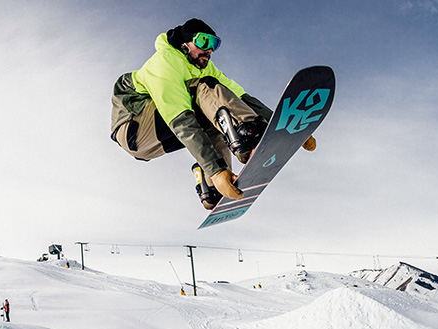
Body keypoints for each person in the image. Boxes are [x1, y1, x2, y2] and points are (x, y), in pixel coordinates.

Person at [110, 18, 316, 209]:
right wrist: (214, 169)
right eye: (203, 41)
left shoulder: (207, 69)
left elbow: (241, 98)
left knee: (215, 114)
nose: (208, 50)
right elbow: (181, 121)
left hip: (155, 140)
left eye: (214, 44)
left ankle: (212, 189)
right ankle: (245, 138)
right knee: (205, 89)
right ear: (185, 43)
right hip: (134, 127)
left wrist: (284, 127)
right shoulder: (165, 62)